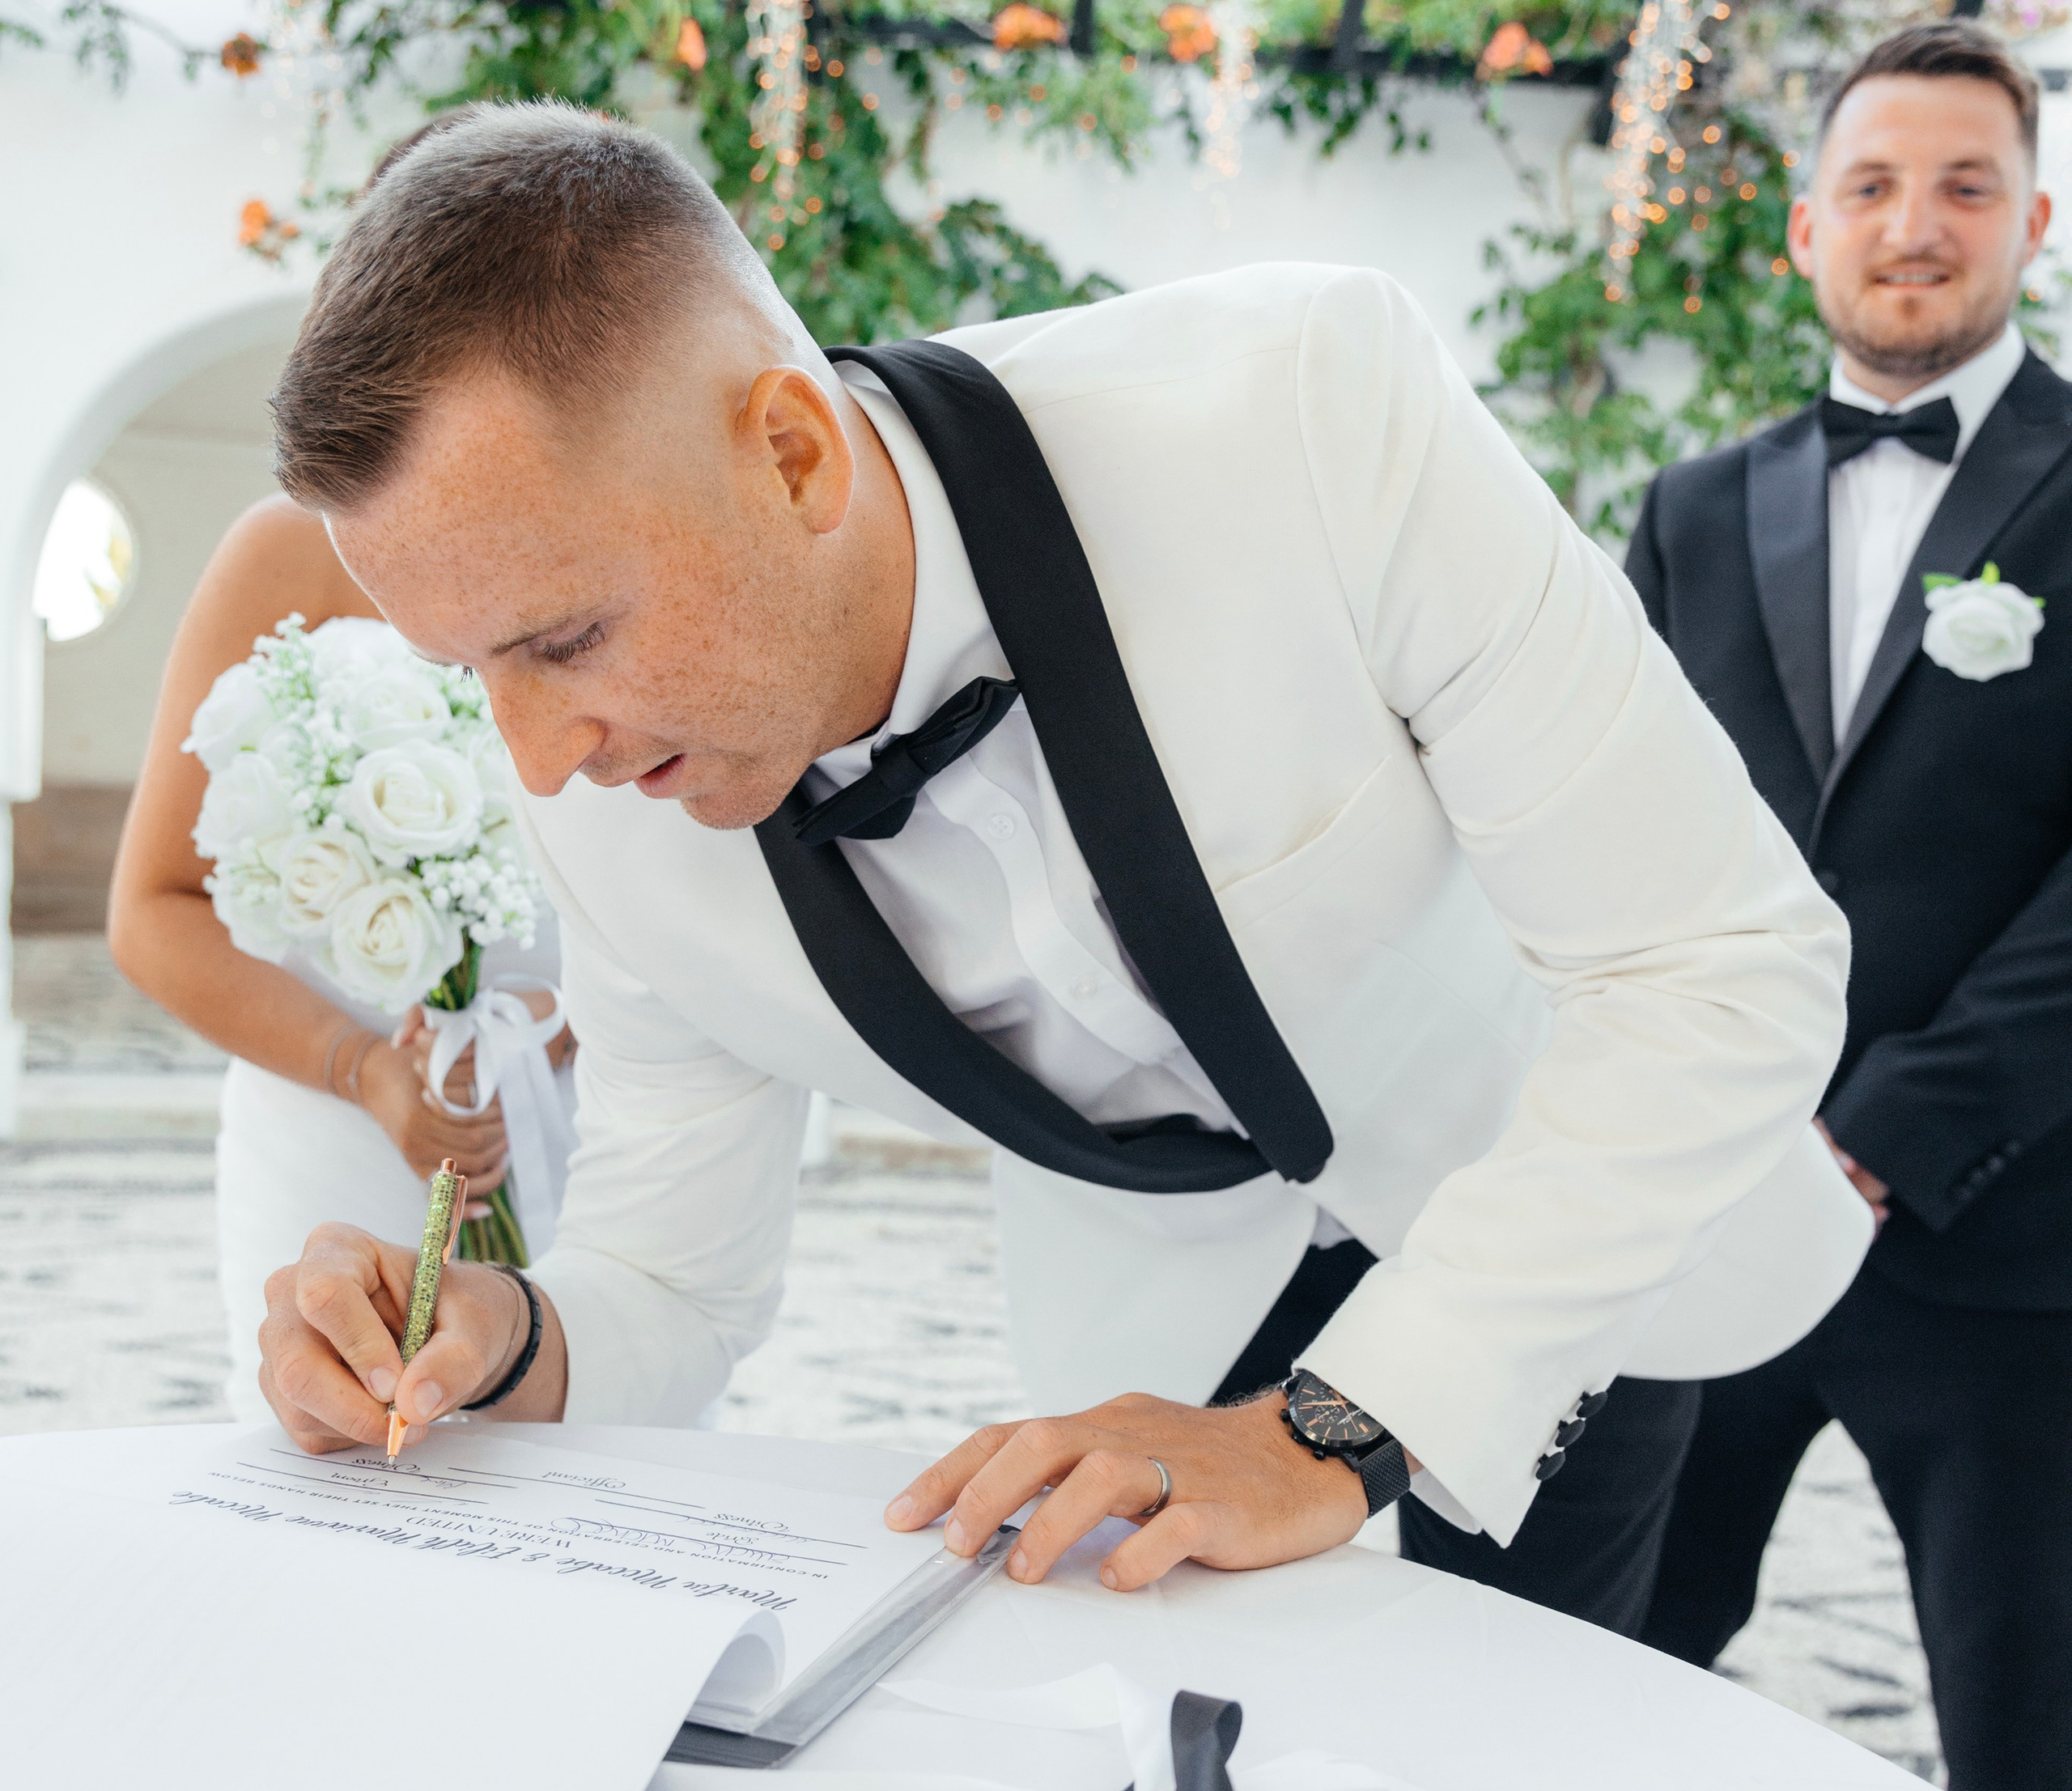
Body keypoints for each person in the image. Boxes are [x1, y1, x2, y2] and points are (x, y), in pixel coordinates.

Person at [253, 104, 1868, 1629]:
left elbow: (1717, 965)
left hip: (1566, 1234)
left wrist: (1336, 1427)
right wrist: (503, 1335)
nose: (537, 758)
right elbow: (669, 1280)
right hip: (1145, 1363)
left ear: (795, 455)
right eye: (476, 672)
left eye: (564, 637)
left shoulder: (1304, 410)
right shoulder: (600, 794)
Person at [1629, 19, 2072, 1791]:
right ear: (1799, 231)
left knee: (2030, 1750)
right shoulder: (1691, 509)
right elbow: (1622, 839)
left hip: (2000, 1233)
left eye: (1960, 185)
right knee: (1599, 1660)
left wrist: (1882, 1133)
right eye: (1870, 186)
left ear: (2028, 218)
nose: (1913, 223)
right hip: (1706, 1211)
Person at [108, 498, 569, 1420]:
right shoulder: (286, 547)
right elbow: (153, 912)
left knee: (612, 1438)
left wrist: (567, 1024)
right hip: (331, 1132)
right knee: (346, 1426)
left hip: (587, 1107)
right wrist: (364, 1069)